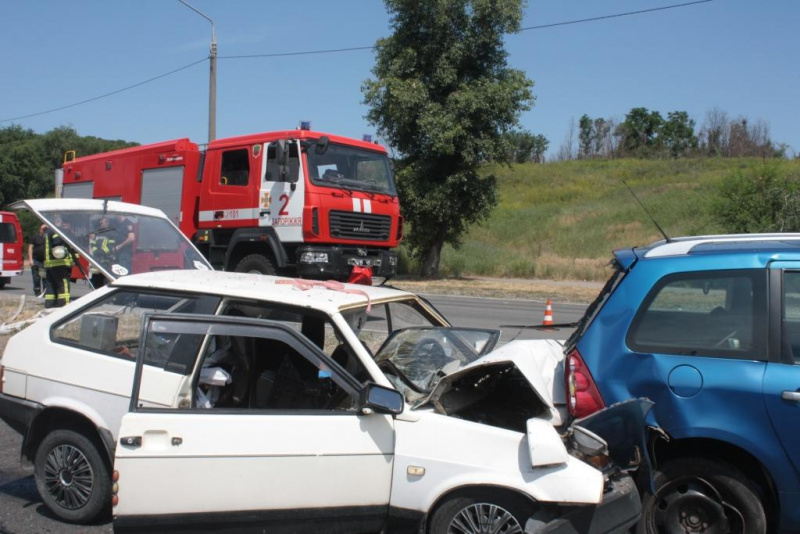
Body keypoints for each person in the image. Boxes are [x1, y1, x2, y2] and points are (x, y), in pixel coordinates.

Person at [43, 219, 74, 308]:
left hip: (49, 264)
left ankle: (49, 303)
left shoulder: (47, 232)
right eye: (62, 222)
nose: (64, 224)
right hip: (59, 263)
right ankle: (63, 303)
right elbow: (58, 242)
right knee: (63, 283)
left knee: (50, 284)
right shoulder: (57, 232)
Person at [28, 224, 47, 296]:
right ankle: (37, 292)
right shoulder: (35, 237)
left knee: (45, 277)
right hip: (36, 260)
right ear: (40, 229)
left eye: (45, 229)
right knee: (36, 277)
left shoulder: (48, 237)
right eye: (43, 229)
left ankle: (45, 292)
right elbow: (30, 248)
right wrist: (30, 259)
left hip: (45, 261)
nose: (44, 230)